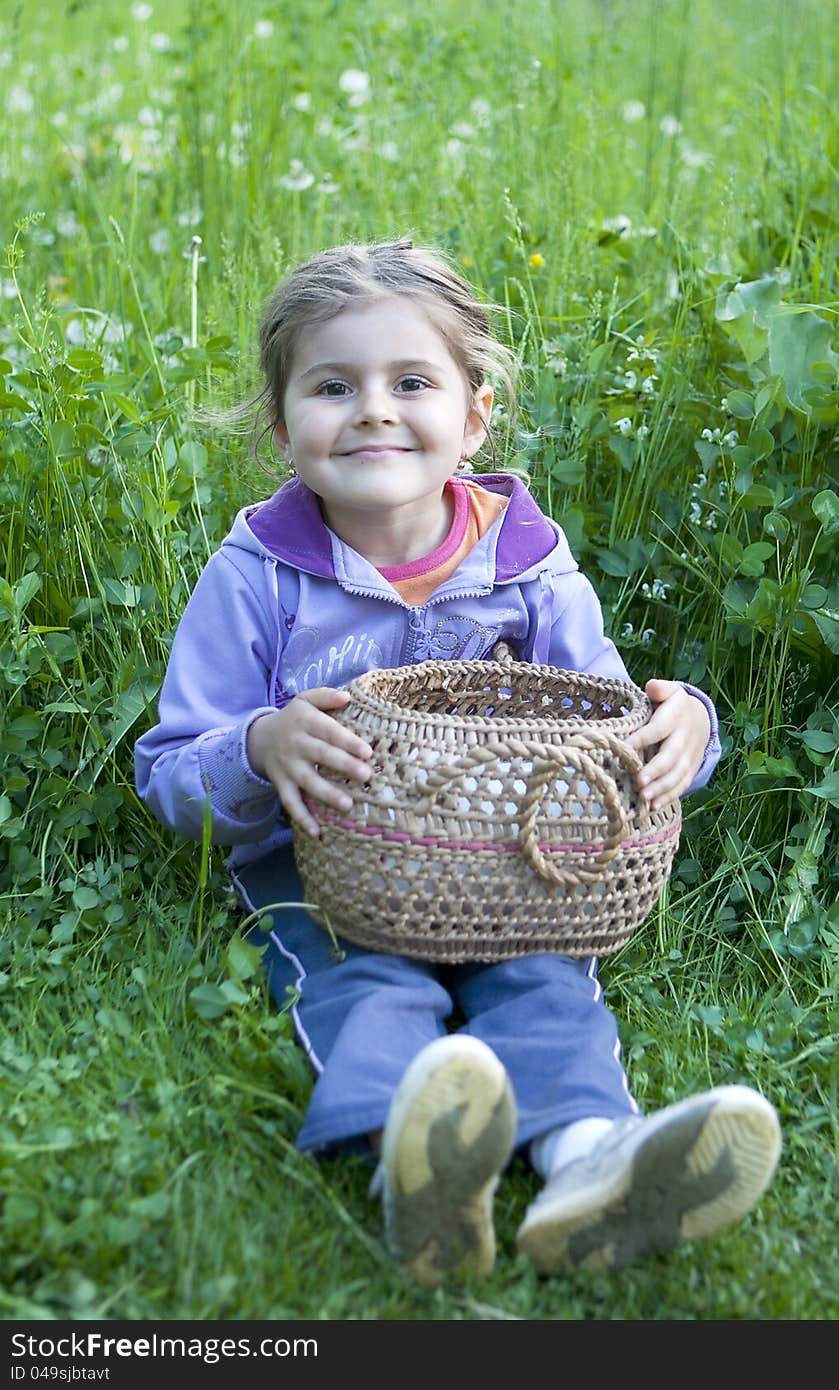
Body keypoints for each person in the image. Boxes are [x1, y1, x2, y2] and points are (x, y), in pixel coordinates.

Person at [135, 238, 782, 1289]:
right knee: (368, 982)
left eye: (412, 382)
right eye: (333, 385)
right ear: (279, 420)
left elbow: (608, 714)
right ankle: (421, 1170)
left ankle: (591, 1164)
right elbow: (168, 765)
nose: (374, 411)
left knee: (544, 980)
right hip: (323, 867)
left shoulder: (524, 560)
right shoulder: (257, 574)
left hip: (507, 871)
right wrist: (260, 743)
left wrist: (688, 725)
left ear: (474, 415)